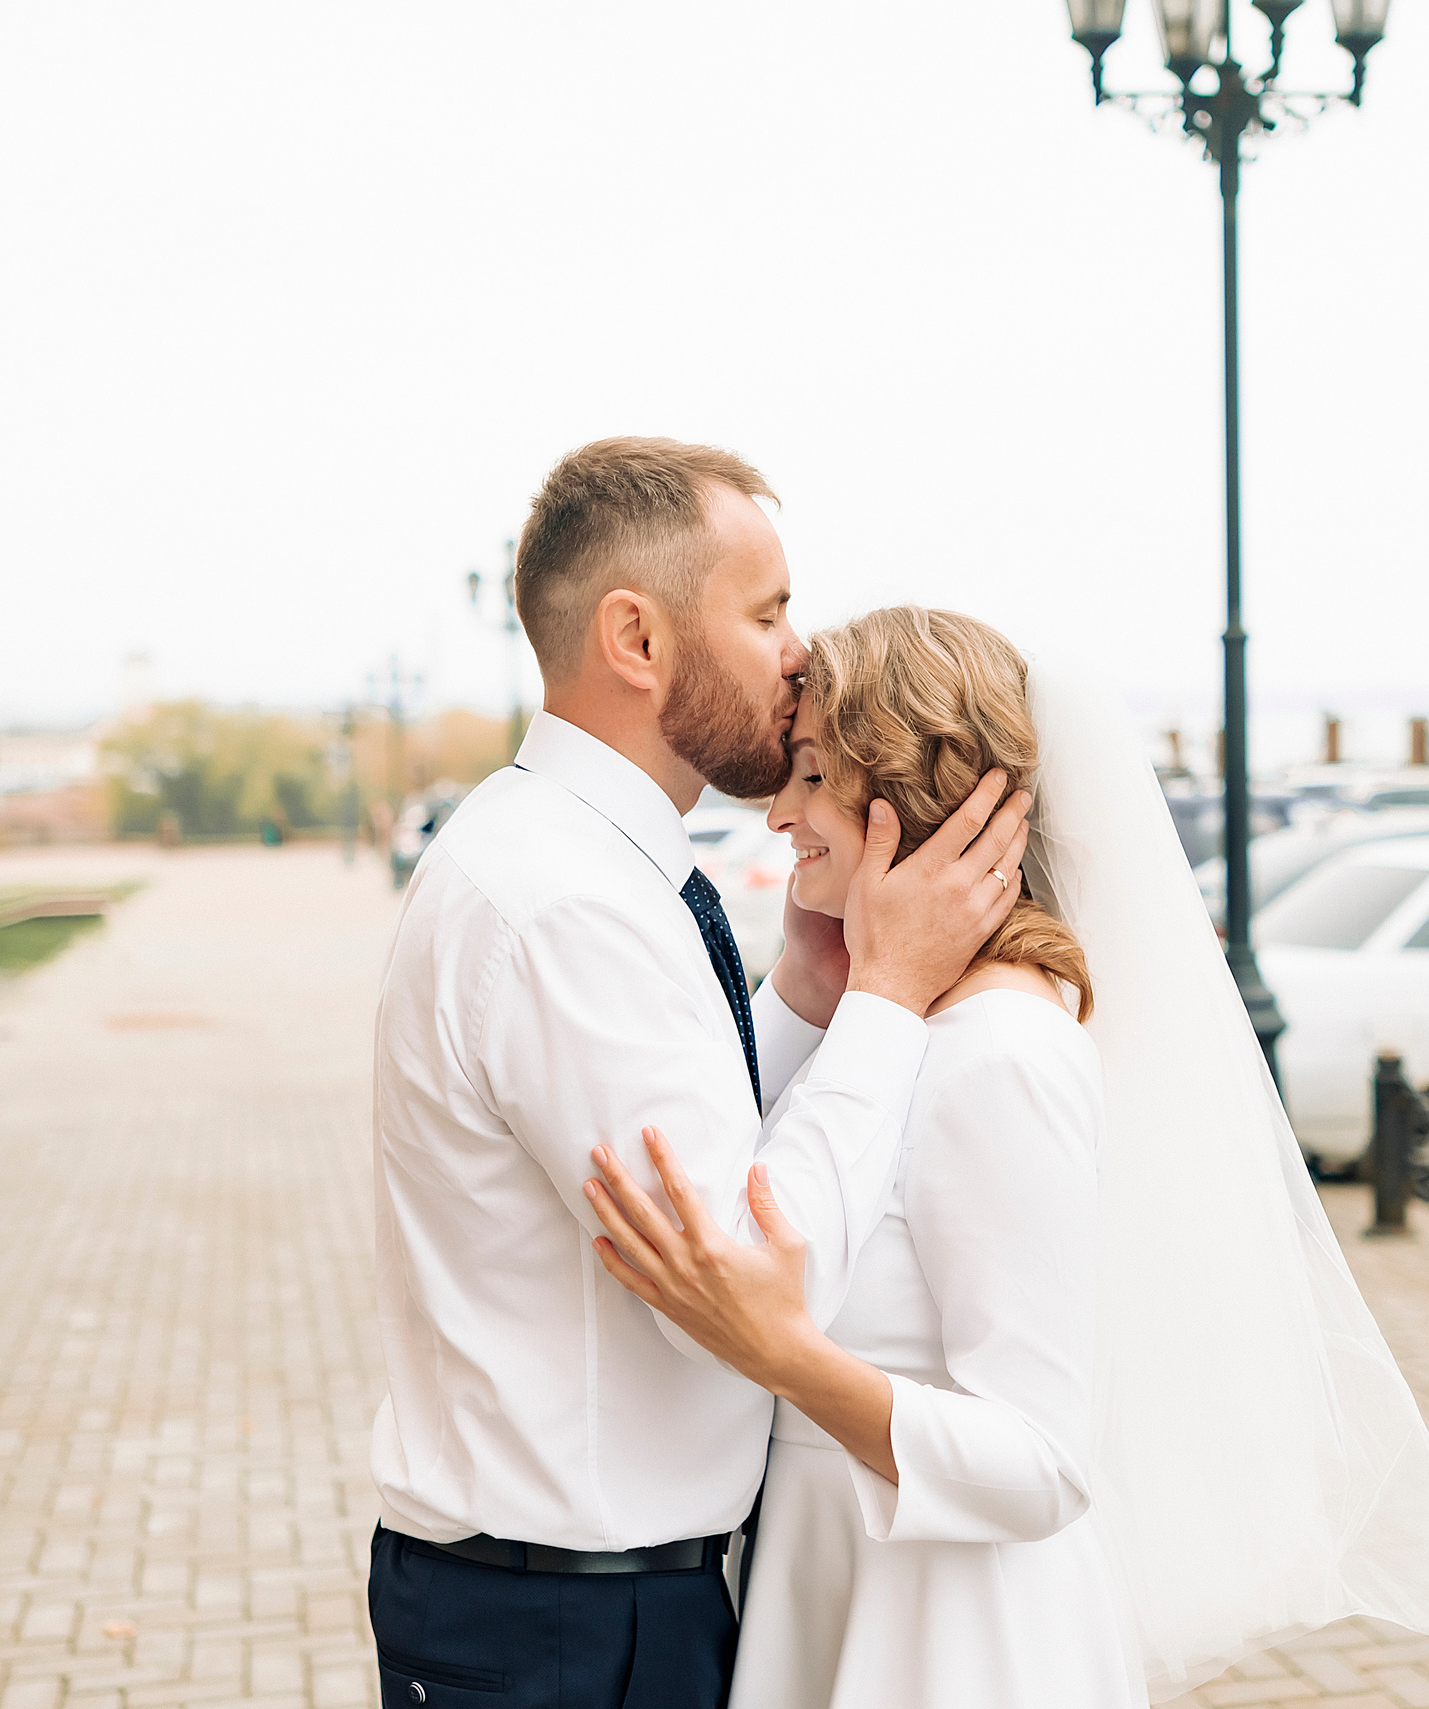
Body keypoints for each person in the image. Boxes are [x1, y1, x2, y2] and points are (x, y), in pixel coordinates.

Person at [587, 608, 1429, 1707]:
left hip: (948, 1636)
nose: (778, 812)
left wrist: (788, 1359)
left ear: (908, 798)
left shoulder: (998, 1054)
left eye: (813, 775)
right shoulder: (888, 1022)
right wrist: (823, 970)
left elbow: (1040, 1461)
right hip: (839, 1581)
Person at [366, 442, 1034, 1709]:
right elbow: (754, 1277)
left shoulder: (586, 861)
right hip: (567, 1625)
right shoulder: (565, 904)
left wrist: (806, 993)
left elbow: (706, 1139)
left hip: (578, 1600)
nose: (799, 650)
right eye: (767, 609)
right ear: (638, 636)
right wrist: (890, 996)